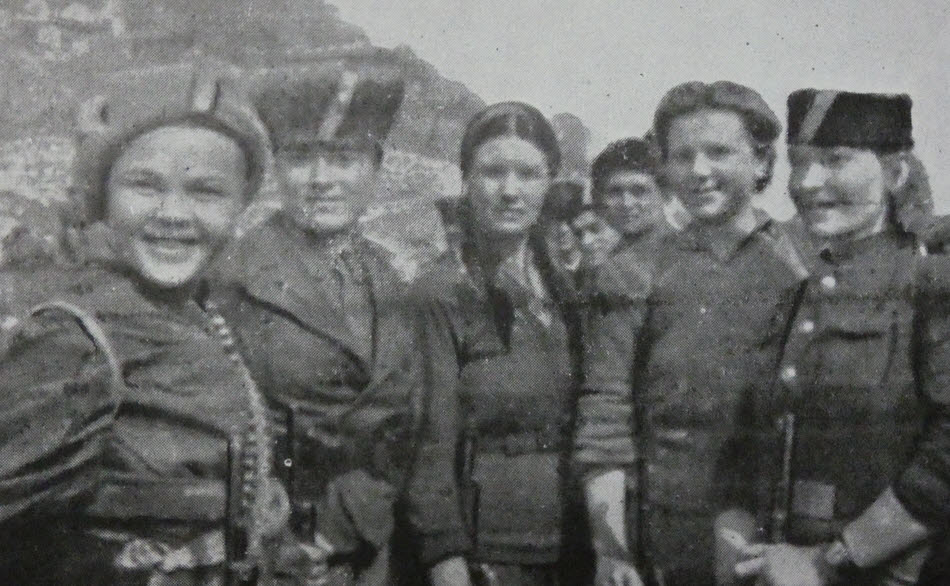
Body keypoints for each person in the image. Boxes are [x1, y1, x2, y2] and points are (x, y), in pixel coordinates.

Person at [0, 60, 293, 584]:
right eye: (144, 185)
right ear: (103, 196)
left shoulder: (200, 313)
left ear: (240, 206)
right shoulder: (76, 338)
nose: (174, 214)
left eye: (205, 191)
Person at [575, 81, 807, 585]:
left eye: (719, 152)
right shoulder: (635, 273)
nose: (700, 172)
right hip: (665, 539)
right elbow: (604, 417)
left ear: (762, 162)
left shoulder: (802, 269)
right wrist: (611, 551)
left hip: (780, 543)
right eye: (683, 156)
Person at [721, 90, 950, 586]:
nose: (807, 182)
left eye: (835, 161)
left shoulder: (931, 284)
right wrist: (735, 532)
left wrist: (832, 559)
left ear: (896, 174)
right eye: (798, 163)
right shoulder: (802, 287)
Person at [211, 63, 427, 585]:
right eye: (301, 158)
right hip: (275, 552)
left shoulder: (394, 280)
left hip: (372, 548)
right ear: (276, 170)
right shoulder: (230, 277)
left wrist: (354, 520)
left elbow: (405, 425)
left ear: (375, 168)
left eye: (344, 159)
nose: (322, 180)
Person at [409, 102, 586, 586]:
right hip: (488, 553)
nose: (510, 191)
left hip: (572, 546)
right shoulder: (440, 294)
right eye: (492, 172)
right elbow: (428, 440)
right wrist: (444, 557)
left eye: (528, 174)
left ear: (549, 182)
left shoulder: (569, 293)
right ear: (466, 180)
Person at [589, 137, 671, 269]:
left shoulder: (685, 258)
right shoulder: (604, 264)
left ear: (665, 193)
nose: (627, 203)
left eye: (639, 191)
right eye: (615, 192)